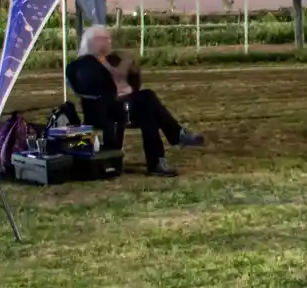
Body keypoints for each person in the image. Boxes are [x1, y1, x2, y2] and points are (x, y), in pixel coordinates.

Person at [66, 25, 205, 177]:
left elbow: (131, 87)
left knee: (148, 113)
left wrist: (126, 71)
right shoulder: (83, 64)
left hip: (122, 106)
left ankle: (158, 163)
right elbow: (103, 89)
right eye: (105, 38)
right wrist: (121, 78)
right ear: (93, 41)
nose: (109, 41)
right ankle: (175, 138)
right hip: (103, 111)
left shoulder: (108, 61)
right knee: (148, 98)